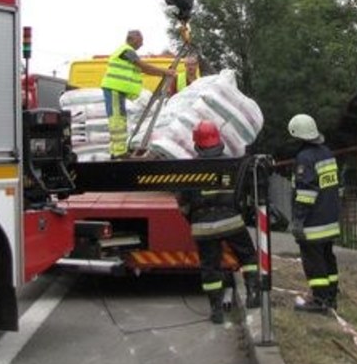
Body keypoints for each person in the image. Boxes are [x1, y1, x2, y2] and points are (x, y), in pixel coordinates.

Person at [178, 120, 261, 324]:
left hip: (203, 226)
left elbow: (183, 204)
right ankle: (252, 294)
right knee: (248, 256)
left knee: (210, 267)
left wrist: (194, 220)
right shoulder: (231, 164)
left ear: (196, 143)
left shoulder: (189, 169)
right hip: (231, 220)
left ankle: (216, 310)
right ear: (219, 140)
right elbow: (242, 194)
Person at [287, 113, 341, 313]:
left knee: (314, 262)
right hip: (330, 218)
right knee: (328, 257)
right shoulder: (327, 153)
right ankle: (331, 297)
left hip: (313, 222)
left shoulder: (304, 158)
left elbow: (307, 192)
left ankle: (319, 300)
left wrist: (298, 221)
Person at [99, 30, 176, 158]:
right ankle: (118, 152)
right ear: (132, 39)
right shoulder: (126, 51)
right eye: (140, 41)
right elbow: (144, 67)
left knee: (120, 118)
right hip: (114, 89)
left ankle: (117, 151)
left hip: (117, 90)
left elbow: (144, 69)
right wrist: (165, 72)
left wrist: (163, 73)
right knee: (117, 119)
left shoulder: (128, 52)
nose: (142, 44)